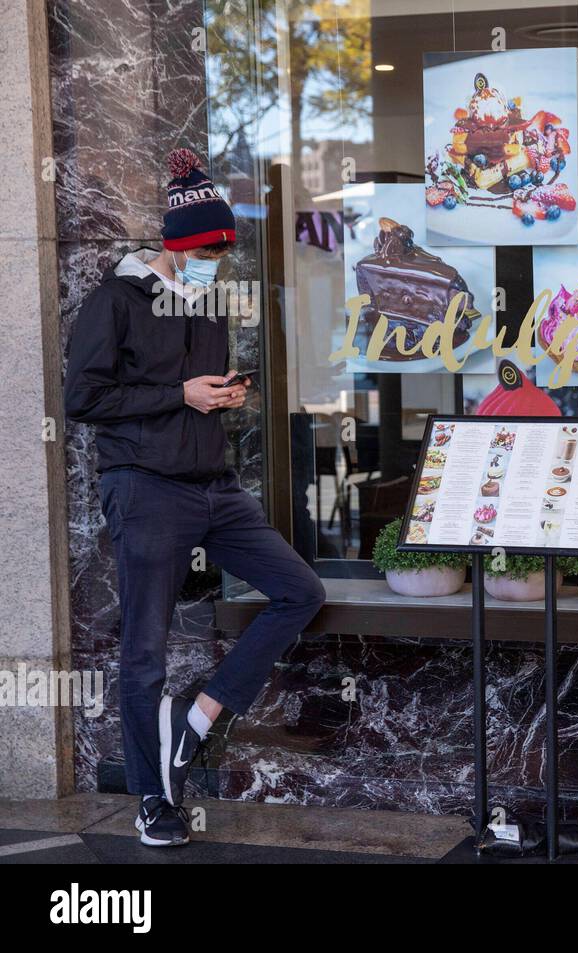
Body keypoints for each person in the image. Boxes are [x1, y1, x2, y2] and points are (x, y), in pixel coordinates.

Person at [64, 149, 326, 847]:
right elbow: (83, 397)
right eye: (208, 250)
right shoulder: (115, 299)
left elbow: (200, 389)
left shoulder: (204, 302)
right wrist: (179, 394)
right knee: (144, 651)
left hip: (215, 486)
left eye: (223, 249)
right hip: (144, 489)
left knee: (299, 588)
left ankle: (203, 712)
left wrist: (223, 394)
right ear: (177, 247)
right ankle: (154, 799)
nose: (218, 260)